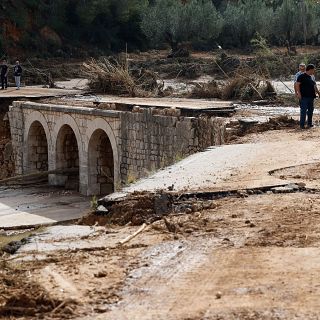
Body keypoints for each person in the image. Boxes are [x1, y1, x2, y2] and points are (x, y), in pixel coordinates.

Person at [296, 64, 319, 129]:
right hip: (304, 97)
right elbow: (297, 85)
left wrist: (318, 93)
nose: (313, 72)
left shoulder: (311, 77)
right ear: (310, 70)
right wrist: (298, 93)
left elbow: (314, 86)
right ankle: (302, 125)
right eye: (313, 70)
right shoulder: (301, 76)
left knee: (311, 110)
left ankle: (309, 124)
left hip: (311, 97)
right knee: (303, 110)